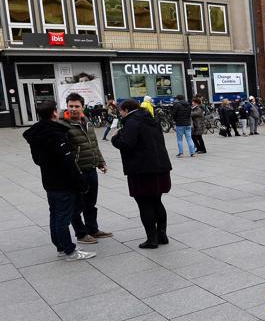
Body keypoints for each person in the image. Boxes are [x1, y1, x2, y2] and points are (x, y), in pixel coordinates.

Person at [23, 100, 95, 262]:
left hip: (49, 181)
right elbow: (68, 162)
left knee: (55, 215)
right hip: (63, 183)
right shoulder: (55, 133)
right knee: (62, 217)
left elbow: (37, 160)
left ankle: (61, 247)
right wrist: (81, 183)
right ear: (55, 113)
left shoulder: (36, 133)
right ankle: (70, 251)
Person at [111, 98, 173, 249]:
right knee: (156, 201)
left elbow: (127, 144)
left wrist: (115, 138)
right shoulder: (150, 119)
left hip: (142, 170)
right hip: (160, 166)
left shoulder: (132, 122)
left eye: (120, 111)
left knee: (144, 203)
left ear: (125, 110)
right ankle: (162, 235)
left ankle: (152, 239)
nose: (120, 114)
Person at [63, 93, 113, 245]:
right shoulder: (63, 124)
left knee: (91, 203)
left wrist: (100, 162)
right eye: (70, 106)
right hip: (76, 172)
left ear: (82, 107)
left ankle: (93, 229)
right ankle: (81, 234)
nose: (73, 109)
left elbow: (93, 145)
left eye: (76, 106)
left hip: (91, 169)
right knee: (77, 205)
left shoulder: (87, 122)